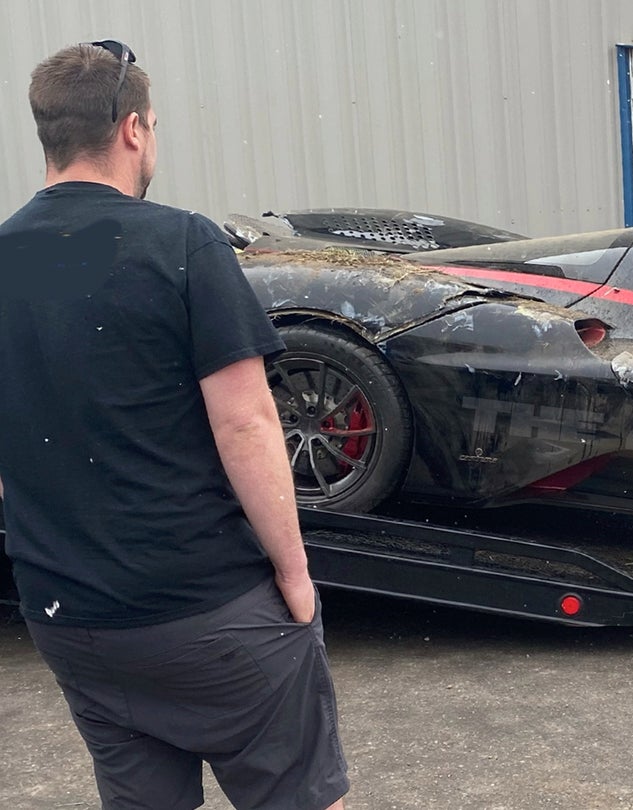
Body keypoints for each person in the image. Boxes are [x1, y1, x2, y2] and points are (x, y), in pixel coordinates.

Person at [0, 42, 348, 810]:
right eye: (152, 126)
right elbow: (249, 425)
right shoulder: (181, 242)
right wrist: (295, 576)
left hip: (71, 619)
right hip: (208, 610)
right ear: (132, 130)